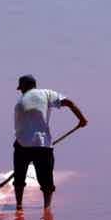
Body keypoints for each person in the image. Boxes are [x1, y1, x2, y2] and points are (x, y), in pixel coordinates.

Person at [13, 74, 88, 210]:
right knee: (46, 180)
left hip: (22, 143)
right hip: (43, 145)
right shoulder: (47, 94)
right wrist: (81, 119)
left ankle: (19, 205)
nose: (21, 91)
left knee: (19, 178)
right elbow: (69, 103)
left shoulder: (20, 102)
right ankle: (47, 208)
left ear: (24, 86)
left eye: (21, 88)